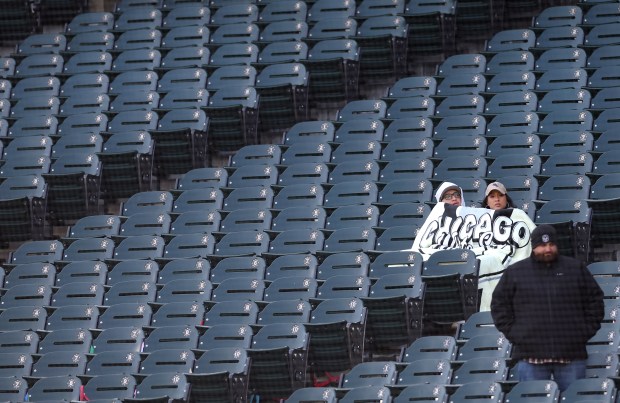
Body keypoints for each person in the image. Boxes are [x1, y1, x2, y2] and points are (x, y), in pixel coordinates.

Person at [490, 224, 604, 392]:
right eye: (542, 245)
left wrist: (582, 332)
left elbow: (595, 301)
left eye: (551, 244)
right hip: (530, 358)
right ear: (534, 247)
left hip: (571, 356)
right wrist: (517, 334)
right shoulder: (516, 272)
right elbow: (499, 305)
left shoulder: (575, 269)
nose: (548, 249)